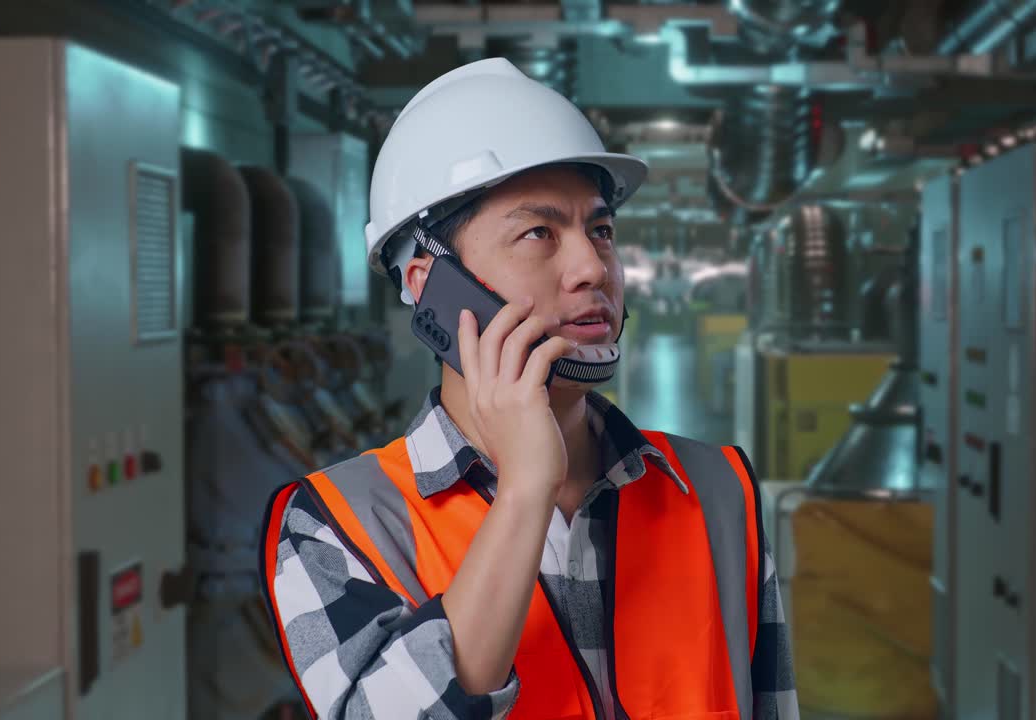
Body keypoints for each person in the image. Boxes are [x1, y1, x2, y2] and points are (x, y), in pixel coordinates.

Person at [258, 58, 799, 720]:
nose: (592, 266)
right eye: (539, 233)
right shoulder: (335, 524)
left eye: (600, 229)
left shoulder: (717, 491)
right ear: (430, 288)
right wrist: (524, 492)